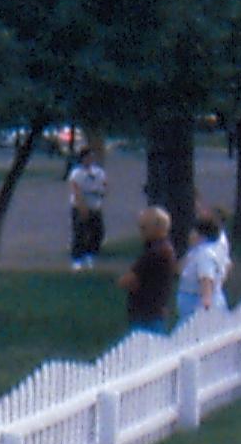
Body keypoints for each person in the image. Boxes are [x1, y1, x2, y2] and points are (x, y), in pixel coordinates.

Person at [120, 208, 179, 336]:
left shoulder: (156, 252)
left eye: (144, 228)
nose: (140, 232)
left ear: (158, 228)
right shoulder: (165, 249)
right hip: (153, 313)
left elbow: (127, 281)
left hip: (147, 316)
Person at [176, 207, 230, 326]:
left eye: (193, 231)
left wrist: (205, 306)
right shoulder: (197, 250)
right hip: (189, 305)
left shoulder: (204, 254)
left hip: (196, 305)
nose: (190, 234)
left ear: (201, 235)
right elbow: (179, 269)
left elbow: (206, 279)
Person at [68, 144, 109, 269]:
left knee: (98, 232)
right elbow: (75, 190)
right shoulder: (76, 173)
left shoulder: (99, 172)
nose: (90, 159)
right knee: (79, 233)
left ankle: (90, 255)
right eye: (88, 157)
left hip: (95, 206)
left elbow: (105, 185)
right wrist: (82, 207)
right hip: (80, 206)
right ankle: (77, 259)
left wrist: (102, 192)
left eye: (92, 157)